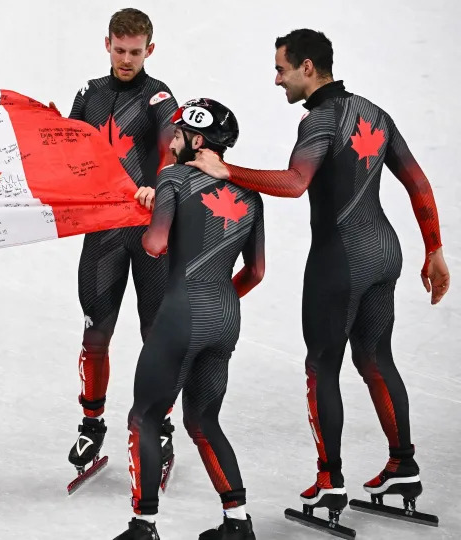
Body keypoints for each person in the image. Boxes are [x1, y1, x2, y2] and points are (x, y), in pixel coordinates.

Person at [190, 29, 449, 531]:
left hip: (340, 261)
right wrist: (434, 250)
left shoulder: (320, 121)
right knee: (376, 357)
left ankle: (329, 483)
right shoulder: (374, 112)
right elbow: (416, 181)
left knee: (321, 367)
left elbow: (294, 183)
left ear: (309, 68)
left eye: (282, 69)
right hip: (385, 252)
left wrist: (227, 169)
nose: (276, 78)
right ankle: (403, 467)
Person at [113, 99, 263, 540]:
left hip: (181, 315)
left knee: (144, 417)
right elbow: (255, 272)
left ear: (197, 141)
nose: (171, 141)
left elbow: (155, 245)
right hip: (225, 317)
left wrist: (148, 210)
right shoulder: (250, 194)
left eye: (177, 135)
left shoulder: (174, 177)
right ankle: (237, 523)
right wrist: (215, 304)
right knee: (204, 420)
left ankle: (144, 526)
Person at [64, 7, 180, 492]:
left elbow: (177, 151)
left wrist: (157, 186)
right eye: (120, 50)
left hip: (152, 234)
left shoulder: (161, 98)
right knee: (96, 332)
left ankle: (162, 428)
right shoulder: (90, 94)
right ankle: (92, 428)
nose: (127, 59)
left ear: (149, 50)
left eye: (136, 52)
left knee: (156, 335)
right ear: (106, 44)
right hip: (105, 234)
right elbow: (67, 152)